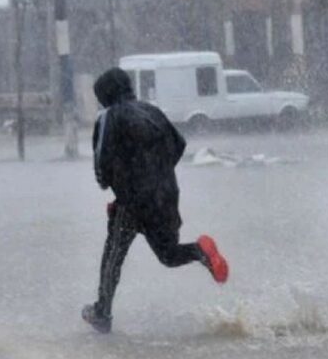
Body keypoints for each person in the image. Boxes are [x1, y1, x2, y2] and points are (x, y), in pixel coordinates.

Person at [82, 68, 228, 333]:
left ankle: (102, 312)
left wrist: (119, 185)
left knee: (113, 255)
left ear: (105, 95)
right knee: (168, 254)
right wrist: (156, 175)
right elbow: (179, 144)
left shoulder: (109, 117)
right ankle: (200, 252)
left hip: (131, 202)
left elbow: (102, 167)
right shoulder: (152, 111)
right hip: (165, 196)